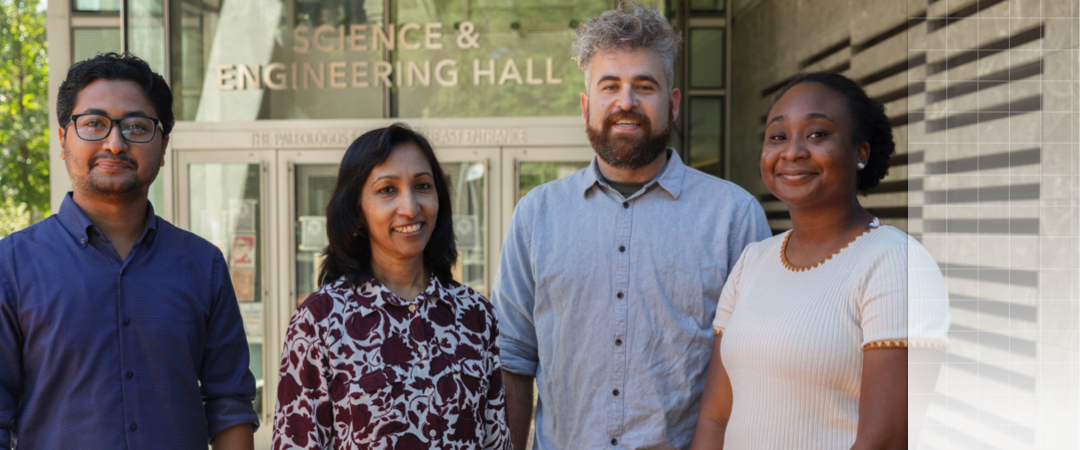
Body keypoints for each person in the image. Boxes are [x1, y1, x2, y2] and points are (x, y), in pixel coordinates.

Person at [491, 3, 771, 449]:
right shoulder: (536, 215)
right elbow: (513, 356)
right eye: (610, 86)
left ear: (673, 103)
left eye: (645, 86)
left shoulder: (734, 217)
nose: (626, 102)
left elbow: (760, 367)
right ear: (586, 105)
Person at [0, 53, 258, 449]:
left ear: (164, 144)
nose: (115, 143)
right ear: (63, 139)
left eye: (136, 126)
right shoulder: (11, 265)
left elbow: (230, 404)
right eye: (94, 124)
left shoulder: (203, 265)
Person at [689, 72, 950, 449]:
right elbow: (715, 419)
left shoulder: (895, 263)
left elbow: (886, 441)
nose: (792, 151)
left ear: (860, 153)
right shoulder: (752, 261)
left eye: (817, 135)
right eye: (778, 136)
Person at [272, 124, 510, 449]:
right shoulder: (318, 322)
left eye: (423, 186)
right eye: (387, 190)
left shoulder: (475, 315)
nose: (410, 207)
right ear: (357, 208)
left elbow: (497, 439)